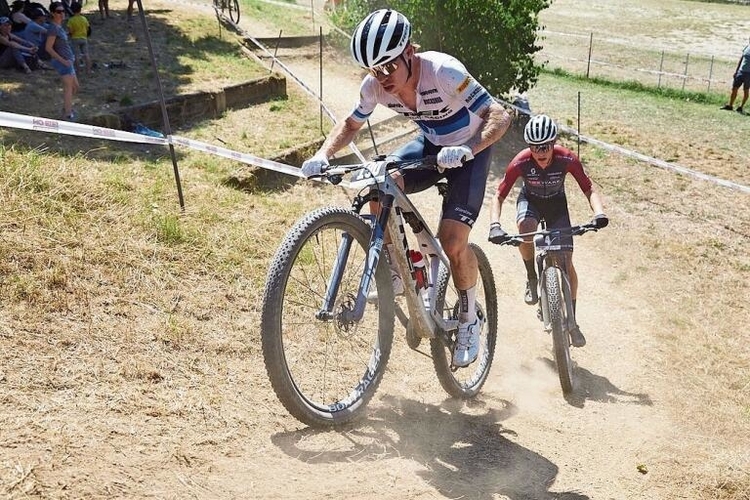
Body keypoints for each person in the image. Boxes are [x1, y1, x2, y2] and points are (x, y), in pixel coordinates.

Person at [300, 9, 512, 368]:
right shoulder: (374, 87)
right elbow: (351, 124)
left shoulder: (444, 71)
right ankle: (398, 270)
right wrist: (323, 154)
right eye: (374, 69)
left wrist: (469, 148)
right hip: (430, 144)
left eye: (388, 67)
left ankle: (468, 317)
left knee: (453, 241)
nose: (382, 78)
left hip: (469, 150)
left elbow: (500, 115)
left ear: (410, 53)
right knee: (378, 179)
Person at [488, 114, 608, 348]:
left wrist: (599, 213)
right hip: (530, 201)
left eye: (545, 147)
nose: (540, 153)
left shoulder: (566, 158)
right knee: (525, 229)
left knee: (566, 261)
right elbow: (499, 195)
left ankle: (572, 321)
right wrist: (495, 225)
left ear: (554, 143)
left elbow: (589, 187)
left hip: (556, 203)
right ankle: (532, 278)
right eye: (535, 147)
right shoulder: (521, 162)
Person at [45, 1, 79, 120]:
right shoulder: (53, 28)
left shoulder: (59, 27)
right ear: (53, 13)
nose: (62, 14)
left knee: (75, 86)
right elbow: (48, 48)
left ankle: (66, 107)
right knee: (69, 88)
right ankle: (68, 114)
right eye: (59, 12)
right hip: (63, 62)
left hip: (69, 61)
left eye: (63, 11)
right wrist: (63, 61)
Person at [720, 41, 750, 115]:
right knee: (734, 88)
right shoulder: (747, 47)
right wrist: (736, 71)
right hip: (741, 72)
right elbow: (741, 59)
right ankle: (730, 105)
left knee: (746, 90)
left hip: (749, 74)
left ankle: (741, 107)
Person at [66, 2, 90, 74]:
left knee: (76, 55)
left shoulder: (71, 20)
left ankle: (78, 71)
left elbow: (70, 31)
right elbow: (87, 28)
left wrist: (68, 34)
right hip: (84, 38)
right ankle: (88, 70)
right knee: (86, 54)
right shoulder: (84, 19)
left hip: (75, 38)